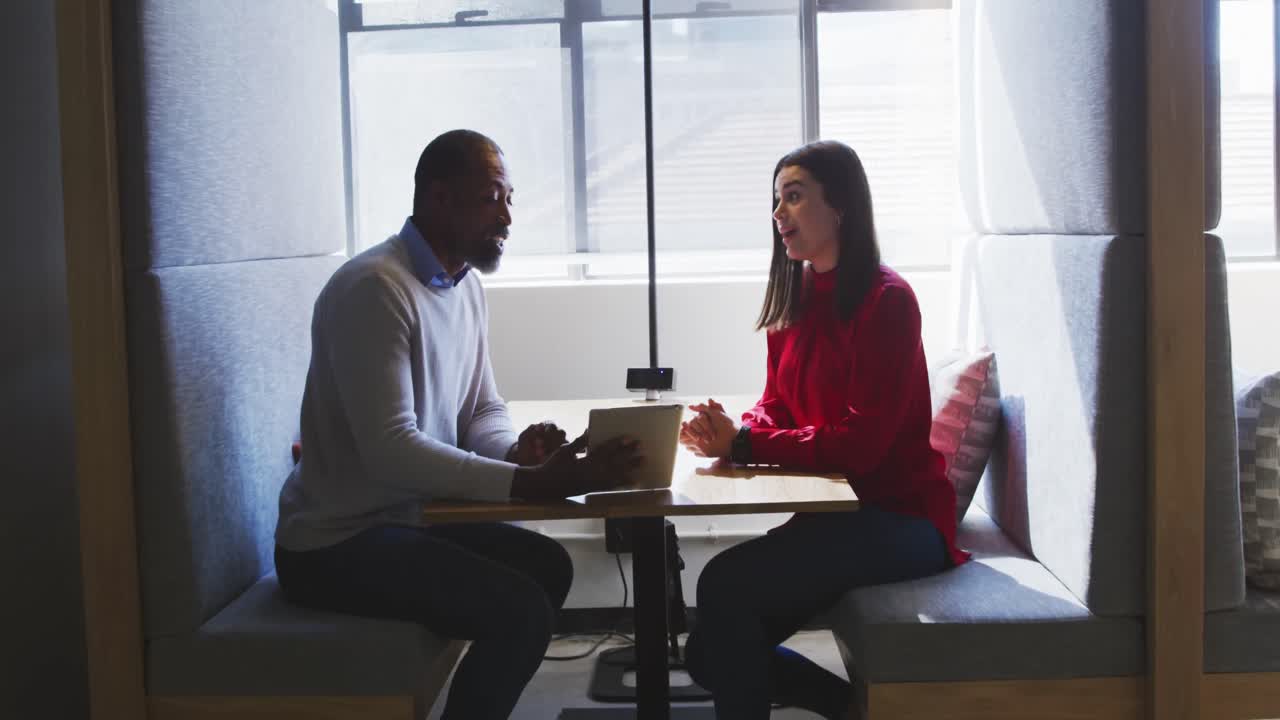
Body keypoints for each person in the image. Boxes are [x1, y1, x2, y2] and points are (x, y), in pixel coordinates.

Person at [274, 129, 640, 720]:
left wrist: (516, 454)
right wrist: (529, 484)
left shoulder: (463, 283)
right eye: (493, 196)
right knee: (519, 610)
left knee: (548, 566)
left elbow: (480, 410)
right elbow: (391, 451)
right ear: (438, 198)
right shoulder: (375, 289)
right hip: (336, 541)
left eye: (511, 198)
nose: (508, 215)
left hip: (406, 518)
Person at [678, 140, 970, 720]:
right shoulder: (797, 295)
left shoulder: (888, 301)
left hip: (901, 519)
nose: (778, 214)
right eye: (776, 200)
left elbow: (861, 446)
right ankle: (851, 707)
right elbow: (777, 404)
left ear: (840, 207)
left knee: (724, 587)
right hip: (836, 515)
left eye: (794, 197)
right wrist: (732, 429)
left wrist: (743, 442)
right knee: (708, 653)